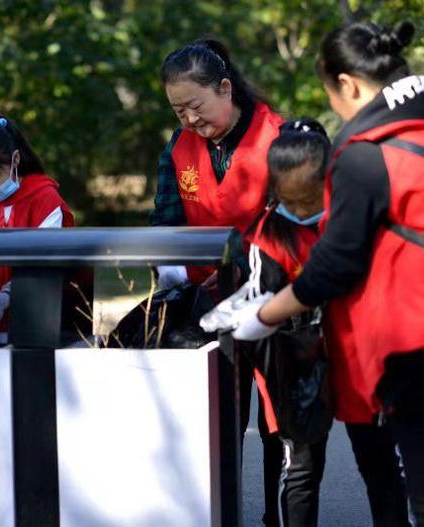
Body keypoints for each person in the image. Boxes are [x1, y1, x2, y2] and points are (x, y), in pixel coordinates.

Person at [232, 20, 424, 526]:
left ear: (348, 84)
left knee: (399, 477)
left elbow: (334, 265)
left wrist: (263, 314)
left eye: (332, 97)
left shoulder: (365, 155)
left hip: (403, 351)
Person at [151, 39, 286, 526]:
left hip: (273, 304)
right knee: (217, 422)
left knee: (278, 426)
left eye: (195, 105)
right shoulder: (179, 147)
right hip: (208, 307)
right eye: (178, 109)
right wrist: (169, 273)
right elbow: (165, 220)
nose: (188, 119)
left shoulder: (279, 138)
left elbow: (302, 226)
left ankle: (279, 515)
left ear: (226, 88)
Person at [241, 118, 332, 527]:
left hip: (349, 353)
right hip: (292, 362)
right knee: (299, 462)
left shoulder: (345, 217)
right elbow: (262, 311)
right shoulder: (268, 231)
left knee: (374, 453)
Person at [0, 115, 75, 343]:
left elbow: (43, 265)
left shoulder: (44, 201)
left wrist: (7, 297)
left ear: (15, 159)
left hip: (41, 326)